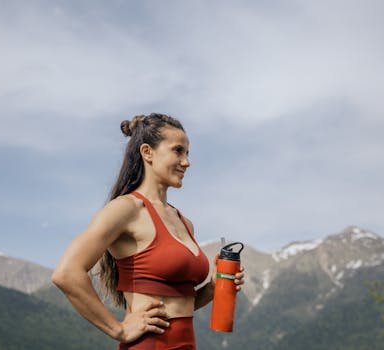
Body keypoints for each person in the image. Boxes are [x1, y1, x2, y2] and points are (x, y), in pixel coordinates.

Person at [52, 113, 244, 349]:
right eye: (178, 151)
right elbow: (66, 274)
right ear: (147, 152)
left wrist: (214, 286)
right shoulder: (126, 209)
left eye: (187, 153)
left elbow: (182, 303)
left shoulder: (184, 221)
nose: (186, 162)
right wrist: (118, 329)